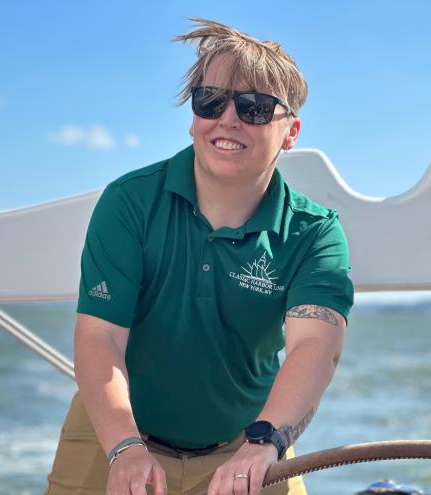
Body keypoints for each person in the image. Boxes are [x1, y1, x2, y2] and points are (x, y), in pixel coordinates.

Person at [46, 17, 354, 495]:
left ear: (291, 131)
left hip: (250, 441)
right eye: (211, 100)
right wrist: (125, 448)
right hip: (116, 431)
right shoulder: (129, 203)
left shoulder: (314, 233)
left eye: (254, 106)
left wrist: (265, 443)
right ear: (194, 116)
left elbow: (315, 346)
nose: (228, 119)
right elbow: (100, 336)